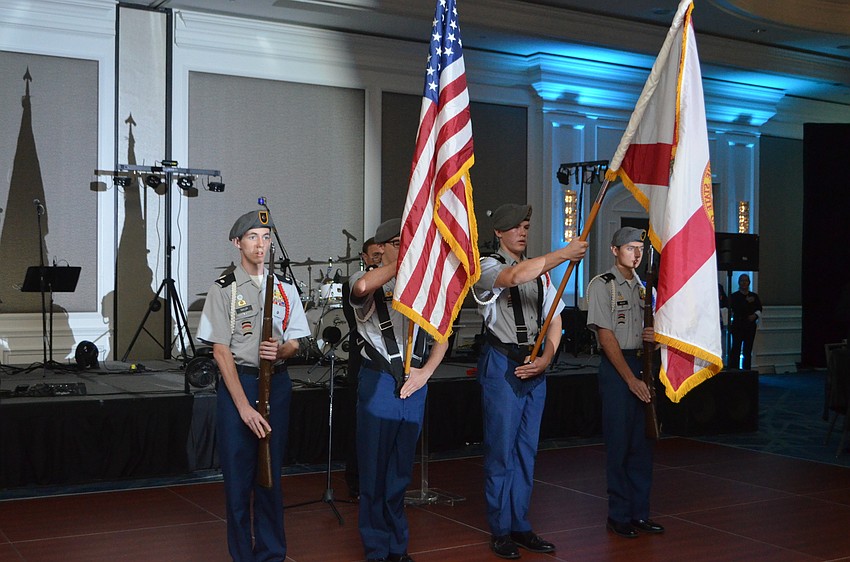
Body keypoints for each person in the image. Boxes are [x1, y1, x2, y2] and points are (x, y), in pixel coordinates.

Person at [472, 204, 587, 560]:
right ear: (499, 233)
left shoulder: (543, 272)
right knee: (501, 451)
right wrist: (563, 253)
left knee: (526, 451)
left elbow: (555, 318)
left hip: (535, 367)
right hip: (503, 364)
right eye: (515, 228)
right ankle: (501, 528)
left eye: (526, 226)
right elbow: (513, 277)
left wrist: (547, 358)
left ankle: (520, 523)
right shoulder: (486, 266)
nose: (523, 232)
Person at [196, 210, 311, 562]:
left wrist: (282, 350)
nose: (260, 244)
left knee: (271, 477)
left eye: (265, 237)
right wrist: (244, 407)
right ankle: (243, 556)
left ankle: (272, 554)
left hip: (277, 385)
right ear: (237, 243)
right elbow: (220, 351)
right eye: (252, 237)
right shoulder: (224, 290)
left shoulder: (286, 288)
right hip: (240, 388)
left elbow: (299, 341)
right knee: (238, 483)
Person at [349, 218, 448, 562]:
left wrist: (427, 372)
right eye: (396, 242)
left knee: (399, 473)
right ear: (381, 249)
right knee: (374, 473)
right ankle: (376, 549)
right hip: (380, 382)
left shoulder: (424, 286)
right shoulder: (370, 278)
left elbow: (442, 336)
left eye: (407, 241)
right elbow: (361, 288)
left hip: (414, 383)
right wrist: (400, 263)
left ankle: (397, 547)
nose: (404, 246)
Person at [586, 226, 663, 539]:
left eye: (639, 249)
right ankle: (618, 516)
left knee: (642, 444)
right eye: (630, 248)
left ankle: (639, 513)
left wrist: (655, 340)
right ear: (614, 250)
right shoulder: (603, 286)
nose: (636, 253)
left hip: (643, 364)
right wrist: (630, 379)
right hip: (619, 371)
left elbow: (656, 331)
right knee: (619, 444)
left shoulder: (646, 289)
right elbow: (606, 337)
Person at [342, 236, 383, 499]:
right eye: (375, 255)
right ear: (365, 257)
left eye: (384, 253)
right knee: (360, 423)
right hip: (364, 357)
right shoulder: (359, 280)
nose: (379, 258)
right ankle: (357, 482)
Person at [729, 273, 762, 370]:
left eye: (746, 280)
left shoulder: (754, 296)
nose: (744, 283)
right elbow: (735, 308)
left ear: (749, 282)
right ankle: (734, 370)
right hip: (738, 325)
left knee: (748, 350)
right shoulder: (734, 296)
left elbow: (759, 308)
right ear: (739, 282)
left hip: (750, 326)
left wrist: (755, 316)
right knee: (736, 348)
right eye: (742, 281)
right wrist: (746, 302)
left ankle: (746, 370)